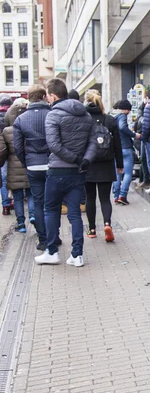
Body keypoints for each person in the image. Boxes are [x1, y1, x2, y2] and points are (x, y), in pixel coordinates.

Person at [34, 78, 97, 267]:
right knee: (75, 213)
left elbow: (53, 145)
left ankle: (52, 252)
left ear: (53, 96)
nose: (48, 100)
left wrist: (76, 159)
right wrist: (85, 160)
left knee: (51, 210)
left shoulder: (53, 115)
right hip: (78, 172)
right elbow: (94, 141)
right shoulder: (85, 115)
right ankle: (77, 255)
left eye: (48, 96)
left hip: (57, 170)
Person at [13, 84, 52, 250]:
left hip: (33, 165)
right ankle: (53, 237)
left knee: (38, 202)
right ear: (44, 97)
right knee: (52, 203)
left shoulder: (20, 119)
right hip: (52, 164)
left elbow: (17, 146)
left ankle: (43, 240)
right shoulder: (52, 114)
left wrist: (25, 161)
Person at [83, 90, 123, 241]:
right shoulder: (110, 120)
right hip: (106, 164)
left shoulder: (83, 120)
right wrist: (119, 164)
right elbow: (117, 144)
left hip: (89, 163)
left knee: (90, 198)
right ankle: (107, 224)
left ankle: (92, 229)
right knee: (105, 198)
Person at [0, 99, 34, 234]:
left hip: (13, 170)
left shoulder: (7, 131)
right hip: (29, 166)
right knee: (31, 194)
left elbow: (2, 151)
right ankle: (33, 215)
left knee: (18, 197)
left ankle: (21, 224)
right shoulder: (30, 128)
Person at [112, 100, 139, 205]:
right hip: (126, 148)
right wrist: (133, 134)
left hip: (116, 149)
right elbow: (122, 127)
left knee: (117, 173)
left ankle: (116, 196)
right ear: (127, 109)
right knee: (127, 173)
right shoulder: (122, 116)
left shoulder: (113, 116)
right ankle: (122, 196)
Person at [0, 96, 12, 215]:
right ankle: (13, 200)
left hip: (1, 151)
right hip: (12, 151)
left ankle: (6, 206)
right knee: (12, 176)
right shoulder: (12, 115)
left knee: (3, 179)